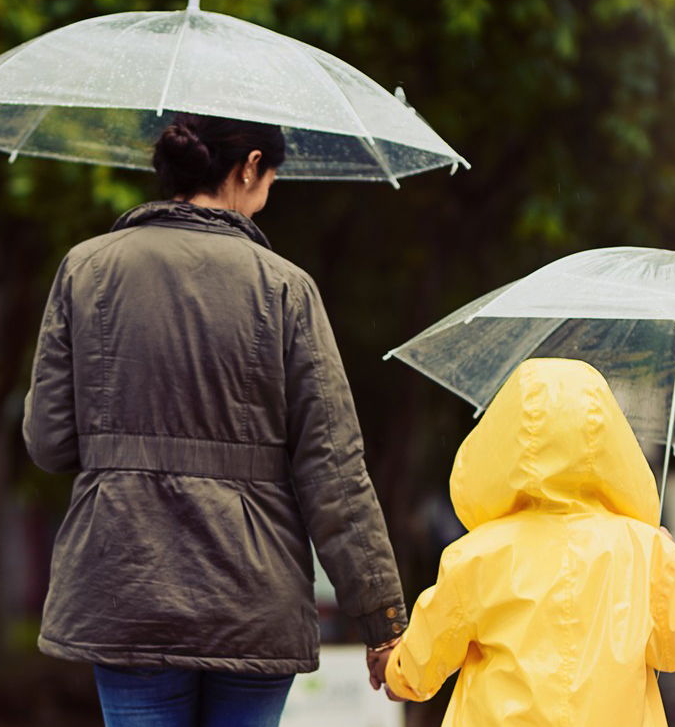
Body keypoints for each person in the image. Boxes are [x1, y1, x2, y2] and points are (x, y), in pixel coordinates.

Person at [22, 114, 407, 727]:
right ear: (249, 165)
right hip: (251, 599)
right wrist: (383, 620)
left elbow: (48, 442)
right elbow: (333, 471)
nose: (268, 193)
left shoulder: (86, 269)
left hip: (125, 587)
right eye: (271, 176)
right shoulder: (286, 289)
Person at [384, 358, 675, 726]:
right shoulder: (646, 552)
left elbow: (422, 663)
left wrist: (392, 672)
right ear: (609, 442)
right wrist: (671, 564)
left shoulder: (476, 555)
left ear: (504, 440)